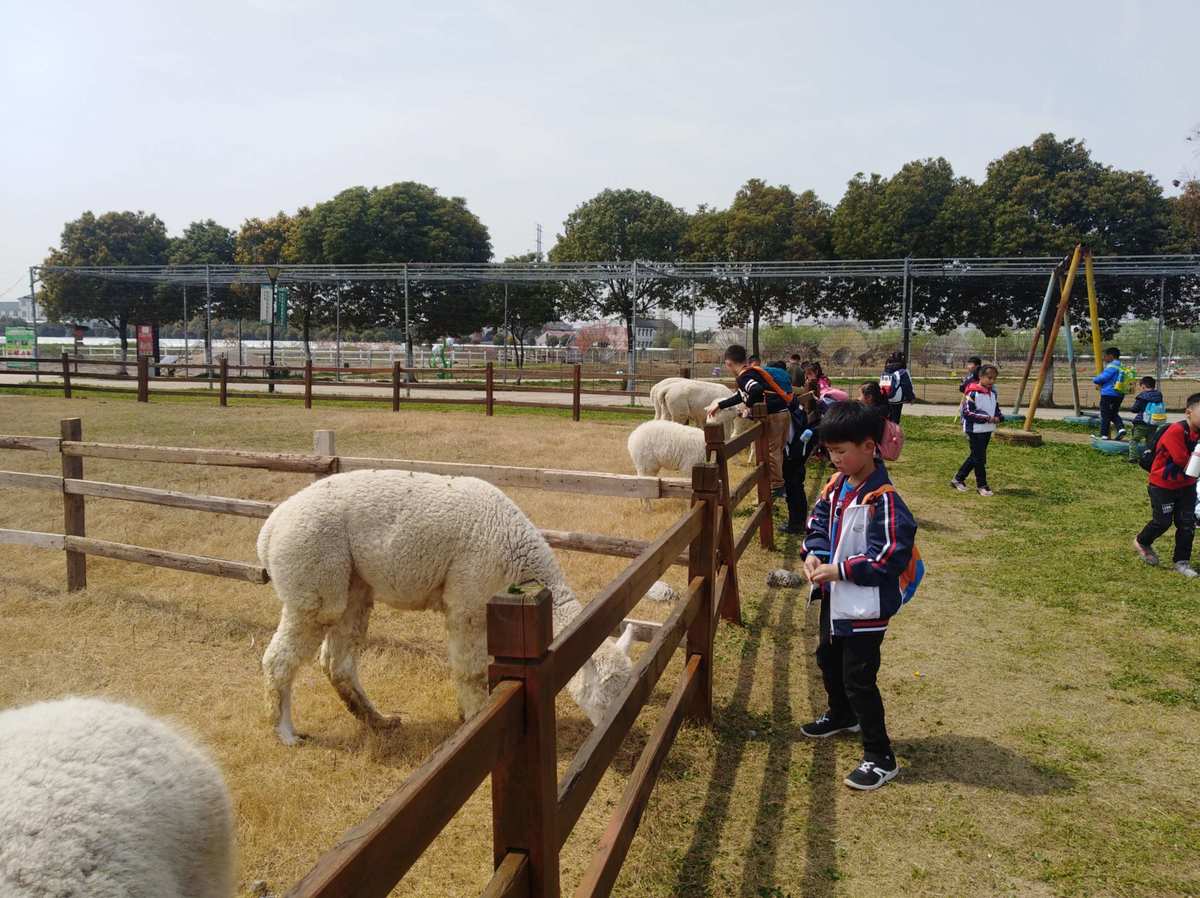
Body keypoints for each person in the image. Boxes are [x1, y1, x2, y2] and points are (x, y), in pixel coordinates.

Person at [800, 401, 918, 791]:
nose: (835, 460)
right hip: (834, 597)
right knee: (828, 658)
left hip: (865, 606)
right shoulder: (836, 486)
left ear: (869, 447)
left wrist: (840, 569)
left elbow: (888, 556)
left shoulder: (883, 499)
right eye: (830, 452)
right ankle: (841, 714)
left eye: (842, 451)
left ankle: (880, 756)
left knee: (859, 678)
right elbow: (816, 521)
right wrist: (814, 553)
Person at [1133, 392, 1200, 577]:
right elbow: (1183, 461)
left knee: (1187, 524)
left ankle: (1182, 562)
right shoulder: (1176, 431)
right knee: (1162, 521)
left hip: (1187, 485)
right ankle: (1142, 541)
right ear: (1188, 412)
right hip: (1162, 485)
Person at [709, 345, 791, 494]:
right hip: (783, 412)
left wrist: (748, 407)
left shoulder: (743, 377)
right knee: (778, 449)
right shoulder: (751, 372)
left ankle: (777, 486)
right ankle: (779, 481)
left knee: (771, 450)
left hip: (773, 415)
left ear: (728, 363)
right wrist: (721, 405)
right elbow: (741, 395)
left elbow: (756, 390)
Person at [950, 364, 1002, 497]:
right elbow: (967, 412)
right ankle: (982, 485)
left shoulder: (993, 393)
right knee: (979, 458)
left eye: (994, 378)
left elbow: (995, 408)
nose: (992, 381)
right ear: (981, 376)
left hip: (987, 429)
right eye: (989, 378)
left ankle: (958, 479)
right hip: (974, 430)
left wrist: (999, 416)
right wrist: (987, 418)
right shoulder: (972, 392)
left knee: (976, 456)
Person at [860, 382, 903, 461]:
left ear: (869, 397)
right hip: (877, 449)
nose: (859, 398)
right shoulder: (882, 410)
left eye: (860, 395)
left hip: (872, 449)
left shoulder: (871, 414)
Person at [1093, 347, 1127, 440]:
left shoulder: (1112, 366)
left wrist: (1095, 379)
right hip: (1119, 394)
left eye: (1105, 356)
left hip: (1108, 393)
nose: (1104, 358)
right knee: (1113, 413)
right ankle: (1121, 428)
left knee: (1105, 414)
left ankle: (1104, 435)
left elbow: (1103, 378)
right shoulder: (1122, 365)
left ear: (1111, 356)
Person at [879, 351, 915, 424]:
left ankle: (885, 432)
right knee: (895, 418)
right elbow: (907, 386)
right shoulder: (903, 372)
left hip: (885, 398)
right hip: (897, 399)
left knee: (887, 417)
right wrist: (911, 398)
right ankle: (893, 433)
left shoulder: (885, 371)